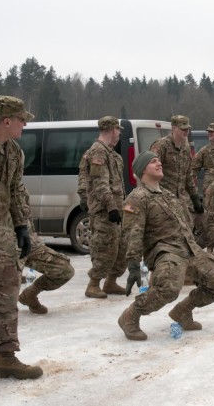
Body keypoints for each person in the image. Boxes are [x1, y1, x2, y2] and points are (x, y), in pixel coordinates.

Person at [118, 151, 214, 341]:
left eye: (158, 160)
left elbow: (186, 223)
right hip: (165, 252)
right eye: (152, 162)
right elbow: (132, 233)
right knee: (169, 289)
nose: (158, 163)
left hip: (189, 249)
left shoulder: (168, 195)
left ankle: (183, 311)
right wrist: (133, 265)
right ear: (142, 170)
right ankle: (131, 315)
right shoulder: (137, 198)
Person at [0, 95, 42, 379]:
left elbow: (17, 191)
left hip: (3, 234)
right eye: (21, 119)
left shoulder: (14, 152)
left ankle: (5, 357)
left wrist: (21, 227)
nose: (25, 123)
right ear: (6, 121)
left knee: (6, 296)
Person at [78, 116, 127, 298]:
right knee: (106, 248)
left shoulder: (112, 155)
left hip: (117, 209)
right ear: (113, 130)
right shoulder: (98, 152)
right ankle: (93, 284)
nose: (119, 134)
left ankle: (111, 282)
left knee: (121, 247)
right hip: (105, 211)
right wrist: (111, 207)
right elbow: (100, 184)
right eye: (118, 131)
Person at [18, 185, 75, 314]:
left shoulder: (19, 187)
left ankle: (30, 294)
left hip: (27, 243)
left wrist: (33, 238)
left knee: (64, 269)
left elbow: (27, 217)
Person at [149, 115, 204, 228]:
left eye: (187, 129)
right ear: (173, 128)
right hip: (163, 197)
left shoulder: (186, 147)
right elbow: (150, 170)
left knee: (187, 229)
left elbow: (188, 174)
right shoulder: (161, 146)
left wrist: (194, 197)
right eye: (183, 129)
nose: (186, 131)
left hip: (181, 199)